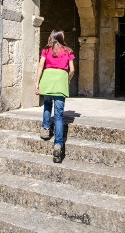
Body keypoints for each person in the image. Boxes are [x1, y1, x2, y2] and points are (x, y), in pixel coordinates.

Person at [35, 29, 75, 163]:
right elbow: (72, 69)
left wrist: (37, 83)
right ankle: (58, 145)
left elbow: (41, 66)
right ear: (60, 37)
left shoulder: (46, 50)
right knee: (59, 115)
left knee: (47, 104)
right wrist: (67, 79)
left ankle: (46, 129)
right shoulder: (68, 51)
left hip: (47, 79)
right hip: (60, 81)